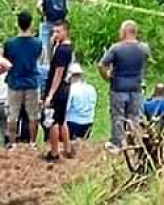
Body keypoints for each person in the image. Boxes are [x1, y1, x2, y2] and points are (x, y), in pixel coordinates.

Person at [99, 20, 150, 152]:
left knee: (118, 116)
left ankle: (118, 143)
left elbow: (102, 65)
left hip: (118, 87)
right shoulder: (143, 48)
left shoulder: (116, 48)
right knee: (134, 116)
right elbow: (144, 66)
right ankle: (134, 142)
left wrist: (107, 76)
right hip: (136, 87)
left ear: (124, 31)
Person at [1, 10, 42, 147]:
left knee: (13, 115)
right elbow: (38, 57)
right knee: (33, 115)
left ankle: (12, 143)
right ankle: (32, 142)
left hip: (15, 82)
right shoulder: (37, 43)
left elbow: (6, 60)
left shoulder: (10, 43)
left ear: (18, 24)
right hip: (31, 82)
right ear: (30, 24)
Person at [42, 20, 74, 161]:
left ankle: (54, 152)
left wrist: (50, 94)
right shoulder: (65, 47)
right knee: (62, 120)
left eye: (58, 31)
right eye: (54, 31)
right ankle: (67, 148)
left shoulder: (62, 50)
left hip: (58, 89)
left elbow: (58, 74)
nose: (55, 34)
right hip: (65, 87)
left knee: (53, 121)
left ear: (66, 32)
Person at [36, 0, 67, 64]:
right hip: (58, 24)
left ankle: (44, 64)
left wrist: (43, 14)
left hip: (47, 22)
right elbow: (66, 9)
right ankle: (53, 63)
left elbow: (38, 6)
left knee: (43, 45)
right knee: (56, 46)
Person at [65, 64, 96, 141]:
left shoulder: (71, 89)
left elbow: (66, 109)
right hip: (88, 123)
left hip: (73, 124)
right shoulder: (91, 88)